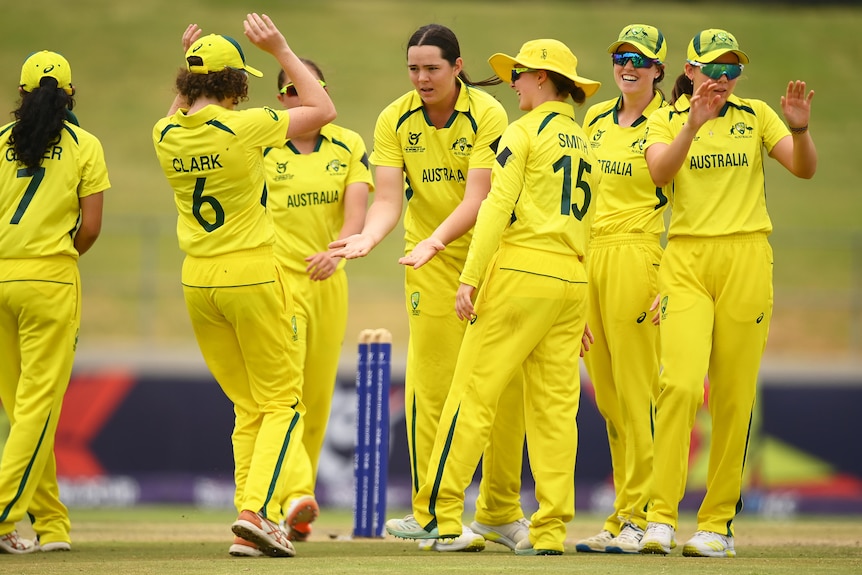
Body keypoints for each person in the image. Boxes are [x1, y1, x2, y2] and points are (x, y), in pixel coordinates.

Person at [385, 38, 602, 556]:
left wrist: (471, 277)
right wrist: (585, 304)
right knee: (554, 413)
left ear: (544, 79)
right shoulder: (586, 141)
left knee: (472, 394)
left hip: (522, 272)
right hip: (571, 283)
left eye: (520, 74)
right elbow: (591, 226)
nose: (514, 83)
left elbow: (493, 208)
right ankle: (549, 533)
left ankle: (438, 515)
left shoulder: (521, 132)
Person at [329, 24, 529, 552]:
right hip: (430, 264)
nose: (421, 78)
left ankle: (500, 512)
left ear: (457, 67)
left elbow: (478, 198)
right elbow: (389, 199)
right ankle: (432, 514)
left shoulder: (488, 113)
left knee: (501, 391)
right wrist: (367, 238)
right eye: (413, 68)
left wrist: (436, 241)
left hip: (491, 257)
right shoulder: (393, 117)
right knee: (432, 386)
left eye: (432, 68)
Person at [151, 13, 336, 558]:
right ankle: (258, 512)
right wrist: (280, 48)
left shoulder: (163, 133)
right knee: (283, 402)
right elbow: (322, 109)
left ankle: (248, 520)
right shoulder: (247, 124)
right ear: (235, 84)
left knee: (249, 406)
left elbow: (179, 113)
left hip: (198, 282)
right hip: (251, 273)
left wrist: (187, 60)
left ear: (186, 84)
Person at [638, 29, 817, 557]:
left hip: (746, 258)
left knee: (735, 396)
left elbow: (804, 169)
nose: (721, 78)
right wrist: (693, 123)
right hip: (687, 259)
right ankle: (661, 518)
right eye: (712, 68)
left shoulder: (757, 115)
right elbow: (659, 173)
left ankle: (716, 525)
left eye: (731, 69)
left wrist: (800, 130)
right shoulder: (664, 118)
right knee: (681, 387)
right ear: (689, 71)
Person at [0, 50, 108, 554]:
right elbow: (89, 227)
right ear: (70, 96)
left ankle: (52, 526)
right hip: (50, 280)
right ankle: (2, 514)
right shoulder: (84, 145)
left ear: (20, 93)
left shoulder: (0, 141)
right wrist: (62, 257)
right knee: (38, 410)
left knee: (24, 411)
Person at [262, 59, 373, 544]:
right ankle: (295, 495)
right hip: (279, 283)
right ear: (281, 99)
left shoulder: (347, 143)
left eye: (307, 89)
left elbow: (356, 213)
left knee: (318, 396)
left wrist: (338, 253)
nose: (298, 97)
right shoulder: (262, 144)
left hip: (330, 280)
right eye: (288, 91)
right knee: (288, 395)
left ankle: (292, 508)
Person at [574, 24, 669, 555]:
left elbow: (689, 202)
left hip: (639, 254)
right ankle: (623, 514)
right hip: (592, 259)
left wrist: (672, 275)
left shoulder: (670, 123)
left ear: (658, 69)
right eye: (620, 56)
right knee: (608, 398)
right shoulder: (594, 118)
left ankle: (647, 515)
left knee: (637, 395)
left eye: (639, 58)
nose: (627, 65)